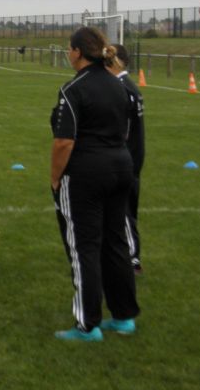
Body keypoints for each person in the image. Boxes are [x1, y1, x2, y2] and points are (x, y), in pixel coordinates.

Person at [50, 26, 139, 342]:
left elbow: (64, 142)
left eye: (69, 48)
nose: (67, 53)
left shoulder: (74, 89)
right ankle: (124, 317)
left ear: (77, 52)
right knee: (115, 242)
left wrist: (55, 176)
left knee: (83, 246)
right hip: (121, 167)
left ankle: (87, 325)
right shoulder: (120, 84)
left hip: (87, 174)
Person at [112, 43, 145, 274]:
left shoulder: (122, 88)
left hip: (126, 159)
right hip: (132, 157)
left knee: (124, 211)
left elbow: (123, 129)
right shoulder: (130, 86)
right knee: (124, 210)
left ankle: (132, 259)